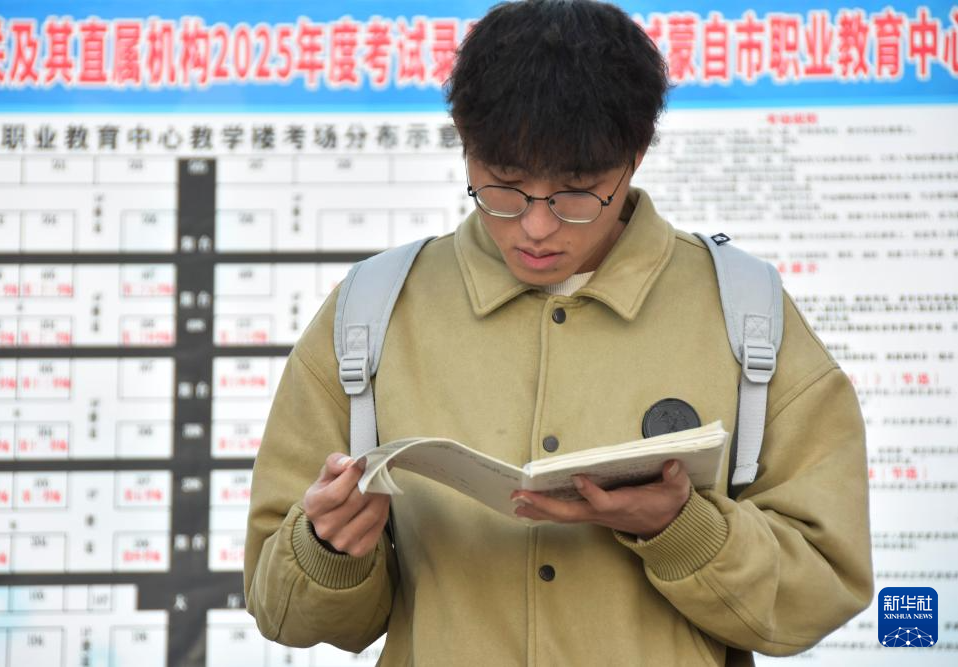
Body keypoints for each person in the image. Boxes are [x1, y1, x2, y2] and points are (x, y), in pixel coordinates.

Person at [244, 1, 874, 664]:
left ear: (634, 157)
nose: (536, 226)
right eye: (504, 187)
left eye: (576, 192)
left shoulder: (745, 312)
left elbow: (823, 584)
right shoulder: (371, 312)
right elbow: (277, 607)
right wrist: (327, 548)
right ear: (465, 146)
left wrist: (683, 529)